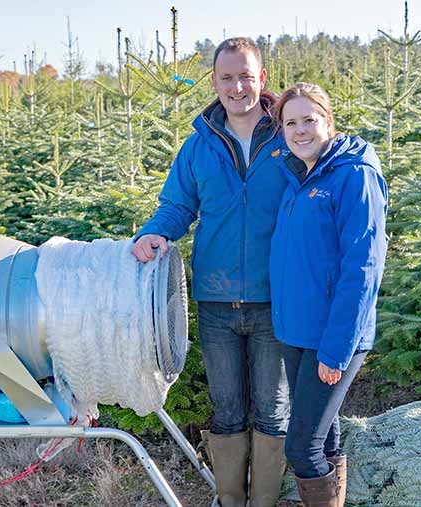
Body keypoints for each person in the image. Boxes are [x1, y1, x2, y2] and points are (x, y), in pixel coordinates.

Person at [130, 38, 290, 507]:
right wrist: (153, 234)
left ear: (261, 79)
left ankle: (264, 501)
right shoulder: (199, 146)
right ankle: (230, 500)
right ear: (214, 83)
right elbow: (177, 206)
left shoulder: (287, 136)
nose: (237, 86)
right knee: (227, 409)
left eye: (245, 76)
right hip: (217, 302)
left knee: (274, 408)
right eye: (226, 77)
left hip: (274, 299)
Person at [269, 83, 388, 507]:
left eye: (309, 120)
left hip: (332, 340)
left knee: (301, 449)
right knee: (326, 434)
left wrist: (336, 351)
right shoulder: (297, 174)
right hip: (296, 332)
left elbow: (364, 269)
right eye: (291, 122)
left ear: (329, 122)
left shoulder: (354, 175)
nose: (300, 130)